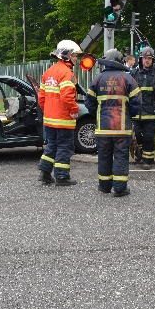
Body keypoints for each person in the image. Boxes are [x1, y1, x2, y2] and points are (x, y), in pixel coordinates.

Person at [84, 49, 141, 197]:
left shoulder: (97, 79)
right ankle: (120, 188)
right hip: (121, 128)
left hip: (103, 128)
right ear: (119, 62)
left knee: (104, 156)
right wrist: (130, 115)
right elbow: (137, 103)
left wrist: (98, 114)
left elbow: (89, 102)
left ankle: (104, 186)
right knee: (121, 156)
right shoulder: (128, 79)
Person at [37, 40, 82, 186]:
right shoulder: (66, 73)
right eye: (75, 55)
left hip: (49, 119)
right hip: (63, 119)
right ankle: (62, 177)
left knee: (51, 146)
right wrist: (74, 109)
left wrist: (49, 111)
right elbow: (67, 97)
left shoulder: (48, 72)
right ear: (67, 55)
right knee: (64, 147)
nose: (76, 58)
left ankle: (45, 174)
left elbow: (41, 98)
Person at [131, 47, 155, 170]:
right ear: (141, 59)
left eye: (149, 58)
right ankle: (139, 153)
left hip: (152, 112)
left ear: (152, 60)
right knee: (138, 136)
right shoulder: (134, 73)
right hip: (137, 113)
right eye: (145, 58)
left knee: (148, 137)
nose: (147, 61)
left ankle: (148, 160)